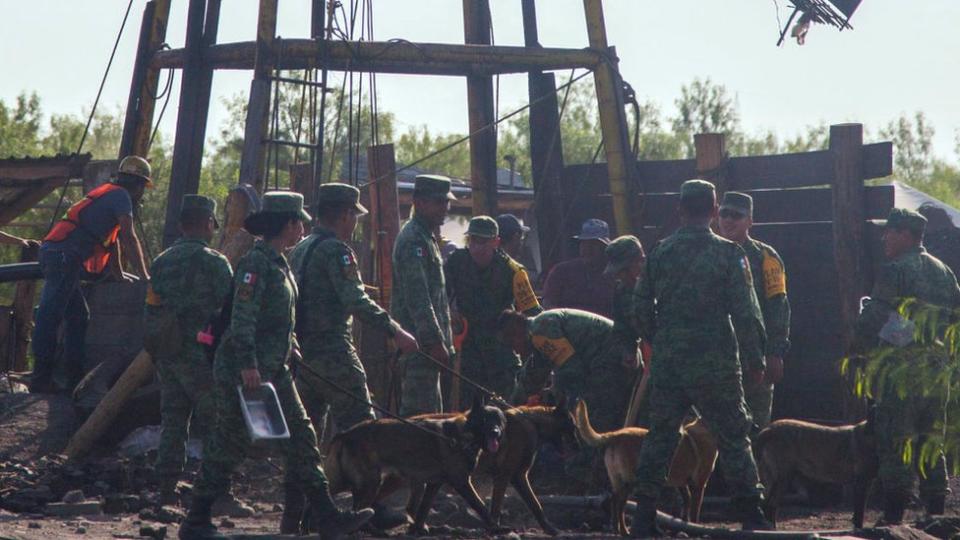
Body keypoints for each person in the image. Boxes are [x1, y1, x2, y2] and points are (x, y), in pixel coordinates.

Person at [178, 192, 372, 540]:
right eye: (298, 222)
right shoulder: (256, 264)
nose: (302, 229)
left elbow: (282, 319)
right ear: (288, 224)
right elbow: (243, 320)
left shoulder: (282, 263)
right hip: (245, 370)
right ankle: (196, 518)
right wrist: (248, 364)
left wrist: (291, 348)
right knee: (228, 441)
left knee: (302, 437)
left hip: (275, 369)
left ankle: (327, 517)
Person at [630, 179, 770, 536]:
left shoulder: (660, 252)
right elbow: (747, 314)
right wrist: (756, 359)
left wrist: (657, 339)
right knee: (734, 436)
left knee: (660, 435)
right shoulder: (730, 254)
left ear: (680, 210)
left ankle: (644, 517)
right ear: (712, 211)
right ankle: (753, 516)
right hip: (716, 362)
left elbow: (640, 307)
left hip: (670, 361)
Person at [286, 183, 418, 532]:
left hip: (304, 357)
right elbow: (355, 300)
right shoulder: (337, 252)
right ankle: (372, 510)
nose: (355, 223)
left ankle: (297, 511)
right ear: (344, 215)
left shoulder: (300, 248)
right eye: (353, 217)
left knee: (306, 437)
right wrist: (396, 331)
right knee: (366, 434)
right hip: (335, 356)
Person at [853, 208, 960, 525]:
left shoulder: (895, 270)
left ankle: (894, 514)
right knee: (930, 439)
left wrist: (858, 349)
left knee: (895, 437)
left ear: (906, 235)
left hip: (900, 372)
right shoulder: (944, 272)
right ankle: (937, 513)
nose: (885, 237)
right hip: (936, 371)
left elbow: (875, 316)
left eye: (890, 231)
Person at [31, 155, 152, 394]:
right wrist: (145, 276)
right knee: (50, 315)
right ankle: (41, 378)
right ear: (137, 184)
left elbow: (113, 239)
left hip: (63, 256)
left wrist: (118, 273)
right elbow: (129, 236)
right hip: (63, 255)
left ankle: (73, 379)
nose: (142, 194)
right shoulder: (121, 196)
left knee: (78, 316)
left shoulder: (110, 194)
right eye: (143, 188)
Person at [144, 195, 232, 506]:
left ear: (181, 225)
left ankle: (166, 491)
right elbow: (231, 310)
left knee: (173, 419)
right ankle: (217, 492)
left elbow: (151, 309)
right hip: (202, 356)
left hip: (168, 352)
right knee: (216, 420)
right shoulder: (215, 262)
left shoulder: (160, 262)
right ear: (208, 223)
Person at [498, 308, 637, 486]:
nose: (515, 351)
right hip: (609, 359)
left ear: (517, 331)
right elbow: (532, 375)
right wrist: (510, 406)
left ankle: (593, 477)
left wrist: (556, 394)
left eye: (512, 343)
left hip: (612, 360)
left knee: (588, 421)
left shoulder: (540, 329)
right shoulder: (538, 338)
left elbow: (571, 371)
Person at [444, 216, 541, 408]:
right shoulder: (455, 262)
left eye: (483, 242)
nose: (477, 247)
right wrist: (449, 311)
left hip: (501, 353)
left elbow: (533, 314)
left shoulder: (514, 271)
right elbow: (438, 295)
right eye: (473, 241)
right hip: (467, 351)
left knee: (508, 409)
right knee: (467, 412)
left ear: (496, 242)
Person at [717, 192, 791, 431]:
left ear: (750, 221)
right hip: (716, 359)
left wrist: (775, 352)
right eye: (724, 214)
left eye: (736, 216)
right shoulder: (711, 252)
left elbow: (778, 305)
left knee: (757, 429)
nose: (728, 221)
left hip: (754, 360)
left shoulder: (765, 257)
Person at [391, 175, 456, 416]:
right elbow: (418, 297)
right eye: (438, 202)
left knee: (432, 420)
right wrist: (433, 341)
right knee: (419, 422)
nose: (444, 209)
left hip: (428, 350)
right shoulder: (413, 240)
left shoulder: (426, 237)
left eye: (446, 203)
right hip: (420, 349)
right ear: (418, 202)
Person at [604, 235, 649, 425]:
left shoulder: (660, 284)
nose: (620, 276)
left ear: (639, 262)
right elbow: (622, 330)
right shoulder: (621, 292)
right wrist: (627, 352)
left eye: (623, 270)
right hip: (649, 366)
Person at [542, 218, 615, 317]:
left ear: (604, 247)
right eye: (584, 243)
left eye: (593, 244)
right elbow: (548, 303)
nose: (587, 249)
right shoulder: (562, 272)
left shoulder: (615, 273)